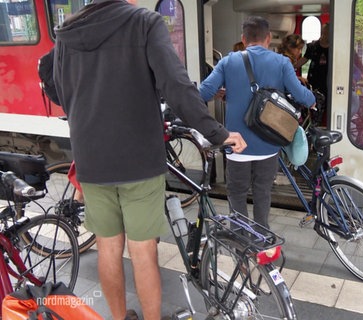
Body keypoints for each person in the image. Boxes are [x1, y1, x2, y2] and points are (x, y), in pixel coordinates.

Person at [52, 0, 246, 319]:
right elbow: (176, 86)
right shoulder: (144, 22)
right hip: (138, 160)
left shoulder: (68, 32)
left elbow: (61, 92)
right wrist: (216, 132)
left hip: (91, 159)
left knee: (108, 249)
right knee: (143, 252)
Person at [199, 16, 315, 229]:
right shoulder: (282, 63)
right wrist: (313, 99)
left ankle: (242, 243)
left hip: (236, 145)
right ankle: (264, 242)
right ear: (269, 38)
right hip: (268, 144)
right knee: (262, 192)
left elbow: (203, 93)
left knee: (237, 193)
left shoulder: (228, 61)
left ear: (243, 39)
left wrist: (223, 93)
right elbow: (301, 96)